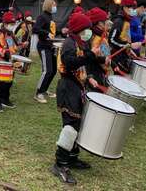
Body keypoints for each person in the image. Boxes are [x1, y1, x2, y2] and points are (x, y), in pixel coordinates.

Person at [52, 13, 99, 185]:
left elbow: (84, 64)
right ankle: (60, 163)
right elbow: (70, 62)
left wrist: (90, 76)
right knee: (70, 126)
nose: (89, 32)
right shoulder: (69, 44)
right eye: (86, 29)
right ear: (79, 29)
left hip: (78, 88)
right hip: (67, 88)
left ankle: (72, 157)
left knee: (77, 124)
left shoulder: (81, 42)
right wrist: (90, 55)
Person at [0, 11, 26, 112]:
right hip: (1, 61)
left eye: (13, 24)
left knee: (9, 81)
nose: (12, 26)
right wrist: (7, 54)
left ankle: (5, 99)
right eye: (11, 24)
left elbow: (16, 45)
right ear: (5, 24)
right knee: (1, 82)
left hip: (11, 60)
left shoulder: (11, 34)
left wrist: (22, 45)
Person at [109, 0, 142, 74]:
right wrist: (130, 45)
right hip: (117, 58)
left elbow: (125, 38)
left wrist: (129, 49)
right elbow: (111, 40)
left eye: (134, 8)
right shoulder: (118, 21)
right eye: (131, 7)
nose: (133, 10)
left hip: (124, 56)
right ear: (124, 7)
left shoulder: (127, 21)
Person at [33, 0, 58, 104]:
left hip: (51, 46)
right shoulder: (42, 16)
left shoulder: (50, 16)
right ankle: (38, 93)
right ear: (49, 5)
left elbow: (50, 30)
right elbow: (35, 29)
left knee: (53, 70)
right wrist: (46, 33)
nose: (55, 6)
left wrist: (62, 31)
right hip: (43, 46)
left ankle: (45, 89)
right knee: (47, 70)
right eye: (54, 4)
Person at [86, 7, 110, 92]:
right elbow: (91, 58)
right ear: (100, 23)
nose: (108, 23)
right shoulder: (95, 38)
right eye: (106, 21)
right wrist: (104, 59)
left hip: (101, 71)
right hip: (95, 73)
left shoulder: (100, 35)